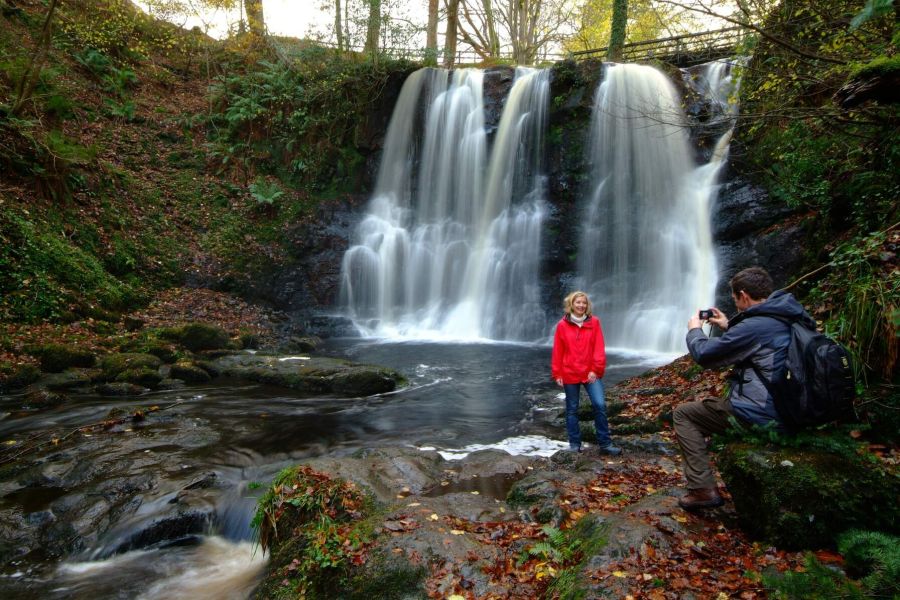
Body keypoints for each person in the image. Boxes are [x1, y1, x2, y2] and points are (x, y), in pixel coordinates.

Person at [675, 266, 816, 510]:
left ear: (744, 295)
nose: (737, 304)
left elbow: (705, 355)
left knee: (684, 414)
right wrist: (729, 326)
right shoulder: (789, 315)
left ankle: (702, 489)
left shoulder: (755, 326)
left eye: (735, 300)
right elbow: (763, 345)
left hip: (765, 414)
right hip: (796, 408)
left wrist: (694, 330)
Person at [551, 291, 622, 455]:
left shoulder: (594, 322)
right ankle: (575, 445)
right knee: (572, 409)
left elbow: (599, 347)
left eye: (584, 303)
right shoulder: (562, 325)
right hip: (569, 372)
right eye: (578, 303)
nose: (581, 305)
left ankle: (605, 444)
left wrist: (595, 370)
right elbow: (558, 350)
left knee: (599, 405)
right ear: (571, 305)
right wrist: (557, 373)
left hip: (590, 373)